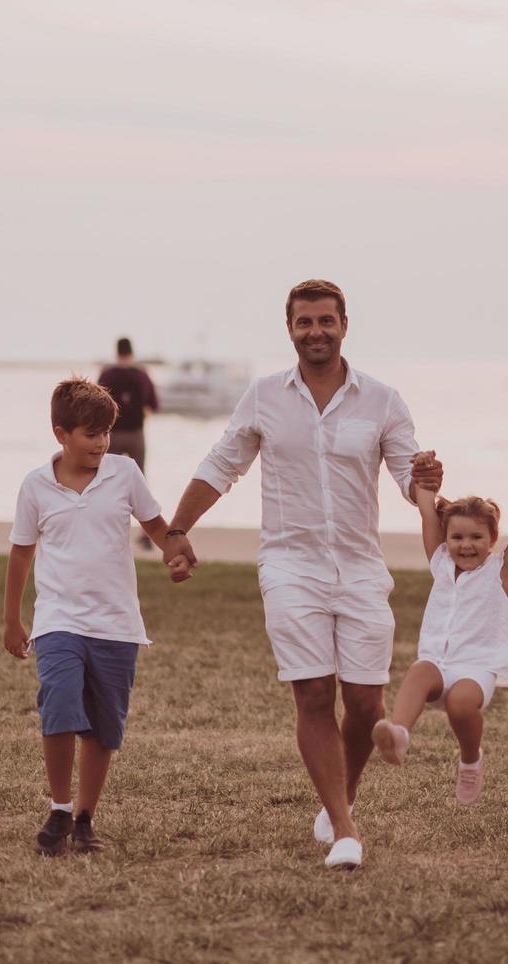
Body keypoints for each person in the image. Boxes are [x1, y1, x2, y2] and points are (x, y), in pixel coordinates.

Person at [161, 279, 442, 871]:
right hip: (290, 564)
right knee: (314, 692)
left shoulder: (383, 401)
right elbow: (222, 464)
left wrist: (431, 490)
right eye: (304, 322)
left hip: (361, 567)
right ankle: (344, 829)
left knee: (366, 706)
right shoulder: (264, 397)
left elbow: (408, 479)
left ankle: (339, 795)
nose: (315, 331)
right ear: (289, 329)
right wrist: (176, 531)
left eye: (325, 321)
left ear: (345, 325)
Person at [1, 377, 179, 856]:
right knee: (57, 705)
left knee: (103, 727)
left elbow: (156, 525)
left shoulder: (124, 473)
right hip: (58, 618)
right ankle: (59, 807)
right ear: (61, 433)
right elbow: (21, 554)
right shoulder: (35, 485)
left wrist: (174, 551)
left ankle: (84, 818)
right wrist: (12, 620)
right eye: (90, 433)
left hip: (117, 623)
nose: (101, 442)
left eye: (105, 433)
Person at [370, 480, 508, 805]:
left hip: (477, 669)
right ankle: (398, 735)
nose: (466, 545)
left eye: (476, 537)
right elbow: (427, 517)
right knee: (419, 669)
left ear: (492, 539)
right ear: (446, 540)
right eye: (457, 537)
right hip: (438, 663)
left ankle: (470, 759)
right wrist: (423, 481)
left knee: (460, 702)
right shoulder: (441, 564)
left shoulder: (502, 572)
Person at [98, 339, 160, 547]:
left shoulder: (107, 374)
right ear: (132, 352)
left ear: (116, 352)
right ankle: (146, 534)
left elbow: (95, 404)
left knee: (106, 481)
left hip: (111, 434)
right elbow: (153, 404)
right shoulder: (141, 374)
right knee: (141, 482)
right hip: (135, 433)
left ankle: (105, 529)